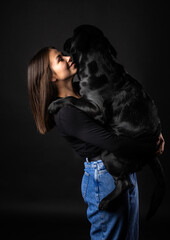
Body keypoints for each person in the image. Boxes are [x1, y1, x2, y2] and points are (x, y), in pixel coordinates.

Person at [27, 46, 165, 240]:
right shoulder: (65, 113)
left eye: (64, 55)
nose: (68, 58)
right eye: (60, 59)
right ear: (51, 77)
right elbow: (114, 143)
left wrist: (150, 133)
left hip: (122, 171)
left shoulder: (83, 90)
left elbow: (121, 114)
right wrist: (150, 148)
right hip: (105, 178)